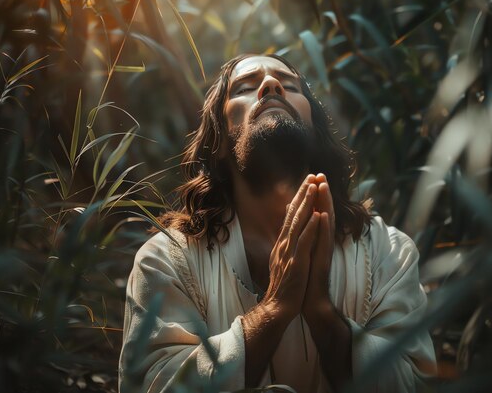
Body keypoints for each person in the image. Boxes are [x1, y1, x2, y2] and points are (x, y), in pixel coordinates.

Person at [118, 54, 436, 393]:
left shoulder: (388, 251)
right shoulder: (166, 259)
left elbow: (415, 383)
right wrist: (273, 310)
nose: (271, 86)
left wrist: (323, 317)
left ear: (314, 129)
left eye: (288, 85)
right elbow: (151, 383)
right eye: (245, 87)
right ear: (220, 142)